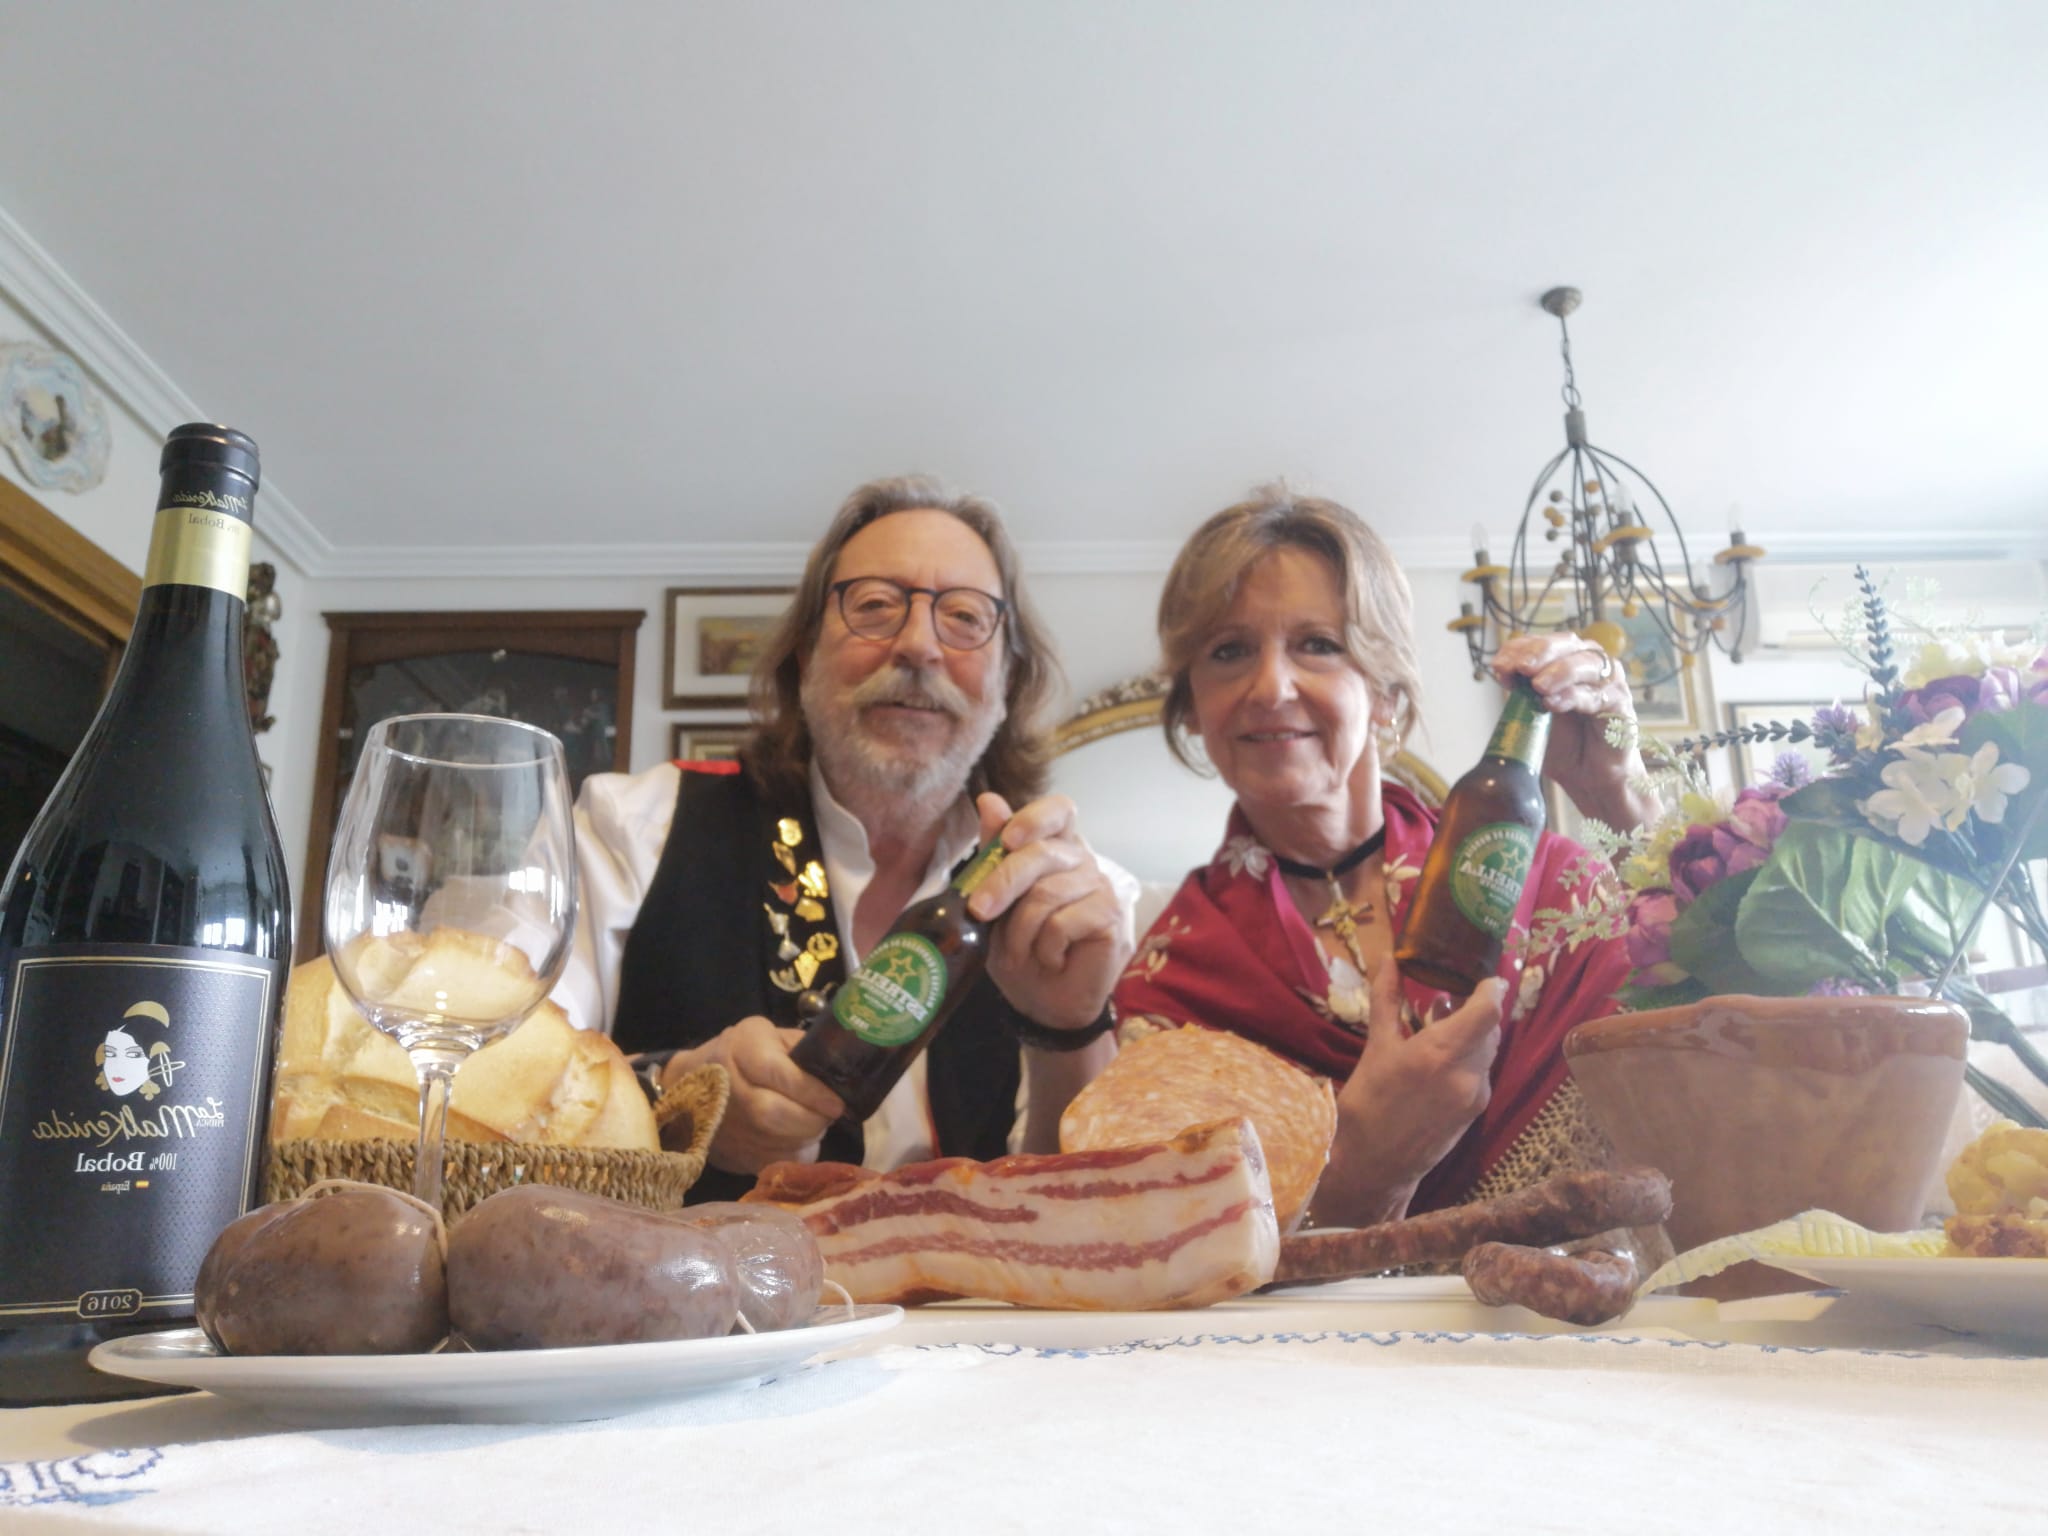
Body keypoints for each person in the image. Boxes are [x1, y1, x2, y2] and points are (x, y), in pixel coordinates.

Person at [553, 476, 1134, 1201]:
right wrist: (673, 1101)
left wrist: (1067, 1029)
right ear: (804, 655)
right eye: (875, 607)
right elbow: (503, 1076)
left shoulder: (1082, 904)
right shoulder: (632, 827)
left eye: (964, 618)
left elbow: (1091, 1217)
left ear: (1009, 677)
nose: (919, 645)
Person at [1113, 484, 1657, 1228]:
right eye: (1229, 651)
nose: (1270, 687)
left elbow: (1735, 1054)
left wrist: (1621, 796)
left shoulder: (1550, 883)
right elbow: (1175, 1259)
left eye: (1318, 645)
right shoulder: (1171, 982)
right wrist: (1366, 1167)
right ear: (1192, 708)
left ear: (1387, 694)